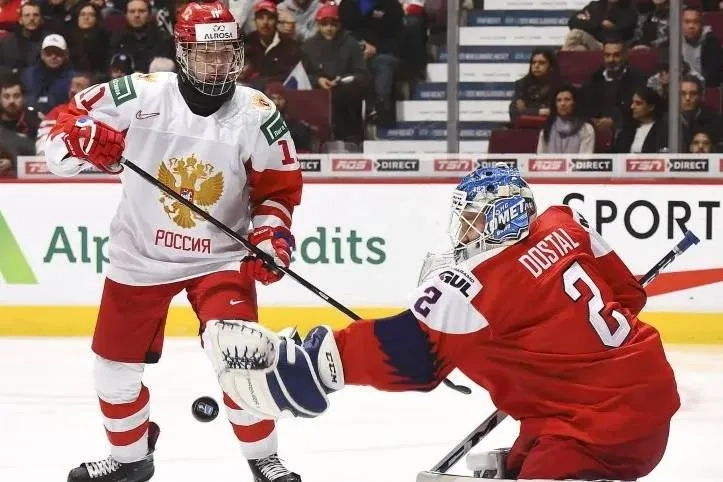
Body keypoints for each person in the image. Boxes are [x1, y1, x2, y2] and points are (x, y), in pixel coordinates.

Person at [207, 164, 681, 481]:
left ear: (500, 218)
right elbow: (629, 296)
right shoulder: (564, 224)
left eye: (471, 220)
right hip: (646, 402)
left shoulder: (479, 285)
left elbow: (408, 355)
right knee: (521, 461)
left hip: (597, 431)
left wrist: (312, 364)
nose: (464, 232)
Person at [44, 2, 303, 482]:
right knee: (112, 371)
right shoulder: (139, 93)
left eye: (226, 53)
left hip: (220, 258)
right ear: (182, 52)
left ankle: (264, 458)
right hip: (140, 256)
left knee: (240, 355)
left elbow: (278, 192)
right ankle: (130, 459)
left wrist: (270, 235)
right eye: (206, 53)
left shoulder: (257, 113)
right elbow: (56, 137)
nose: (218, 64)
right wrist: (78, 142)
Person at [537, 85, 595, 154]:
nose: (562, 103)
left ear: (574, 103)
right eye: (559, 100)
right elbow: (540, 157)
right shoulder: (547, 128)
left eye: (567, 99)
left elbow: (584, 158)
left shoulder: (586, 129)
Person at [613, 86, 667, 153]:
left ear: (651, 107)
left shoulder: (662, 130)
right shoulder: (627, 130)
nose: (632, 107)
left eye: (638, 103)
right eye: (633, 102)